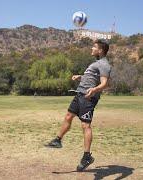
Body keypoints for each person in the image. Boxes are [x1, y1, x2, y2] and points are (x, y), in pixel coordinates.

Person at [46, 39, 112, 171]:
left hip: (88, 98)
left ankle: (87, 156)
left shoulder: (104, 65)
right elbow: (90, 78)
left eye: (94, 47)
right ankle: (58, 140)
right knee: (68, 116)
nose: (91, 49)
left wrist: (94, 90)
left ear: (100, 50)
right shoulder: (96, 63)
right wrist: (80, 77)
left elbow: (105, 84)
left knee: (85, 125)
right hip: (79, 94)